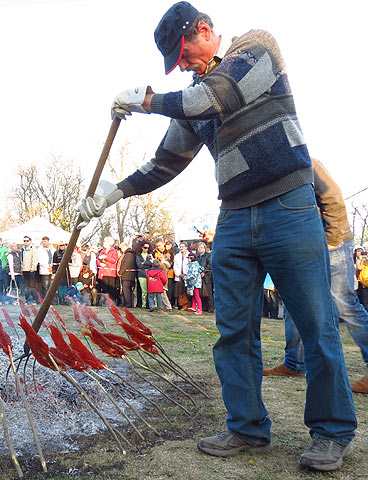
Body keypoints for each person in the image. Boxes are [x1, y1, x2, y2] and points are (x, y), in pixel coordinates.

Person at [76, 2, 356, 471]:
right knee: (233, 331)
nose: (182, 65)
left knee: (316, 325)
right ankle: (246, 427)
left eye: (182, 54)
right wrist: (114, 193)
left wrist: (145, 100)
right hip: (234, 217)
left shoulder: (256, 50)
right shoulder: (192, 97)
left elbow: (215, 97)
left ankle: (331, 432)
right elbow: (166, 162)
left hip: (289, 206)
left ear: (204, 30)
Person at [263, 159, 368, 394]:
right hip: (302, 244)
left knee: (344, 304)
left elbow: (332, 196)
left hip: (332, 240)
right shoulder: (265, 172)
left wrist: (331, 241)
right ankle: (295, 363)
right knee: (293, 303)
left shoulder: (303, 160)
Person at [97, 237, 120, 305]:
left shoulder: (114, 251)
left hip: (110, 273)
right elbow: (98, 259)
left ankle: (112, 302)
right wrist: (100, 264)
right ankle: (104, 302)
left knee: (111, 288)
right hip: (103, 272)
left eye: (104, 242)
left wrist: (106, 258)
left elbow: (114, 260)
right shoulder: (102, 251)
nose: (103, 243)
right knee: (104, 288)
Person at [136, 241, 154, 309]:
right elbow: (139, 265)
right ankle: (143, 304)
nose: (146, 249)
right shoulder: (138, 256)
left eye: (148, 248)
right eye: (145, 247)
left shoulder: (150, 256)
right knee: (144, 291)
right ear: (142, 248)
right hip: (141, 275)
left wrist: (144, 263)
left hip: (149, 275)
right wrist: (147, 264)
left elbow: (152, 263)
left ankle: (149, 305)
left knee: (150, 290)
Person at [117, 242, 136, 307]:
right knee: (127, 289)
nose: (121, 250)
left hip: (127, 275)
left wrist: (120, 272)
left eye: (122, 248)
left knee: (126, 289)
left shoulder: (128, 254)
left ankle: (128, 303)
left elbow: (126, 264)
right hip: (128, 274)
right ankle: (127, 302)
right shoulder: (130, 254)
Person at [196, 242, 213, 313]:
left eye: (201, 247)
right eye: (199, 247)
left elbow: (210, 264)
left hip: (207, 277)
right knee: (202, 292)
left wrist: (204, 271)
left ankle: (211, 308)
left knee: (208, 293)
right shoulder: (197, 257)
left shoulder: (208, 255)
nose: (200, 249)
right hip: (199, 277)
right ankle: (204, 307)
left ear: (204, 248)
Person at [21, 236, 38, 303]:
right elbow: (21, 259)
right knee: (26, 286)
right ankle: (27, 299)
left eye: (27, 240)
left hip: (31, 270)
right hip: (24, 269)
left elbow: (35, 259)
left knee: (32, 286)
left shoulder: (33, 248)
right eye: (24, 240)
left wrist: (33, 268)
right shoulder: (22, 249)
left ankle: (35, 299)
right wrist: (21, 269)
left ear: (30, 241)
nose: (25, 242)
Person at [173, 242, 190, 310]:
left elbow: (190, 266)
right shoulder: (177, 256)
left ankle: (188, 305)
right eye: (180, 246)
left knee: (187, 292)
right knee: (179, 291)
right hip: (179, 276)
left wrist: (186, 274)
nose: (181, 248)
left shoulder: (190, 255)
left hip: (187, 276)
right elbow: (175, 266)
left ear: (186, 247)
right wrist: (179, 274)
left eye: (183, 246)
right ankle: (180, 305)